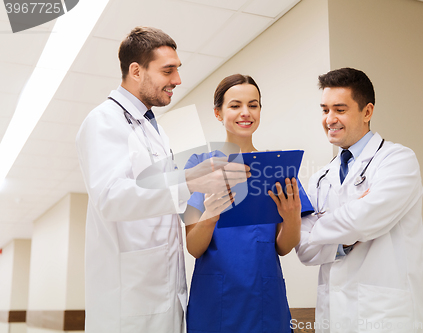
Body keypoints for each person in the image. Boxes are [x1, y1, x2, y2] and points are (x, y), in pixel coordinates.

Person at [75, 27, 249, 333]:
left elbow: (168, 204)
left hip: (163, 292)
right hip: (128, 303)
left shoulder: (154, 130)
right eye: (168, 71)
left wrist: (213, 201)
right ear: (136, 71)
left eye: (178, 70)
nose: (177, 80)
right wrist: (190, 182)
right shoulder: (103, 121)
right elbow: (111, 198)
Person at [296, 68, 423, 332]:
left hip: (384, 315)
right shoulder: (320, 177)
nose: (330, 119)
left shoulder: (398, 160)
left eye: (340, 109)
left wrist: (319, 229)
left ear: (367, 112)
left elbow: (364, 220)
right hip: (333, 316)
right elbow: (304, 250)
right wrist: (346, 236)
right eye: (324, 110)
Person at [183, 74, 306, 333]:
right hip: (214, 299)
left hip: (265, 298)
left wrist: (292, 217)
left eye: (253, 104)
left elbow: (283, 247)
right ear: (218, 113)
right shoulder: (200, 166)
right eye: (235, 105)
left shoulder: (277, 167)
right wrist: (211, 215)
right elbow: (193, 248)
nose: (246, 112)